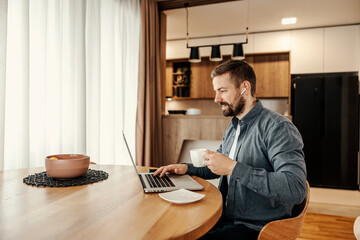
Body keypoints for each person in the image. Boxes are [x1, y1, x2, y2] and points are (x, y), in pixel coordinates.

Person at [154, 60, 307, 240]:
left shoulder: (278, 127)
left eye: (223, 91)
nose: (216, 98)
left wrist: (233, 168)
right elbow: (219, 164)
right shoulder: (234, 126)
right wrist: (185, 168)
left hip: (258, 228)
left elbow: (295, 188)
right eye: (216, 91)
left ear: (245, 88)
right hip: (227, 216)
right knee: (174, 229)